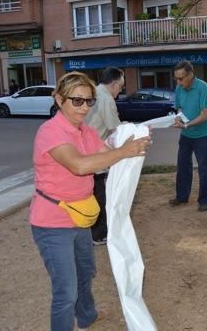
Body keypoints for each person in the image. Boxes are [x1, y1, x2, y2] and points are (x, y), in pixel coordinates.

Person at [30, 71, 151, 330]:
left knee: (86, 273)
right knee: (65, 291)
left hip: (80, 217)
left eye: (89, 101)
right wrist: (123, 151)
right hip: (52, 222)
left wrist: (133, 145)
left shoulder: (85, 130)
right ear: (59, 99)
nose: (84, 108)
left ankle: (86, 316)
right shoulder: (50, 132)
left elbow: (106, 155)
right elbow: (79, 166)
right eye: (77, 101)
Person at [84, 67, 124, 245]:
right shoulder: (107, 99)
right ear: (114, 83)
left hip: (84, 151)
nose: (121, 90)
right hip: (96, 154)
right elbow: (114, 129)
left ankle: (91, 230)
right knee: (100, 194)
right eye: (121, 86)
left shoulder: (93, 92)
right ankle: (99, 234)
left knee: (90, 192)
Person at [169, 60, 207, 212]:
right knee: (182, 165)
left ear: (190, 75)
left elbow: (205, 115)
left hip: (202, 134)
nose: (178, 82)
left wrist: (187, 125)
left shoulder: (202, 87)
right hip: (186, 134)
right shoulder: (179, 88)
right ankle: (182, 196)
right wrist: (178, 117)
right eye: (176, 79)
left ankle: (204, 200)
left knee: (203, 167)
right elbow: (179, 107)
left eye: (181, 78)